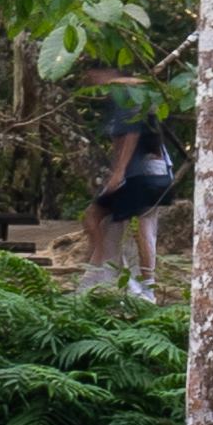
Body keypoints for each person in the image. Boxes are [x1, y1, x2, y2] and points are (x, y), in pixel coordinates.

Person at [72, 95, 185, 291]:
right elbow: (122, 144)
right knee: (100, 221)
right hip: (136, 177)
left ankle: (146, 288)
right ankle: (96, 277)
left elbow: (133, 137)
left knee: (142, 230)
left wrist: (119, 172)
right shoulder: (120, 108)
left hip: (146, 177)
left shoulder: (133, 109)